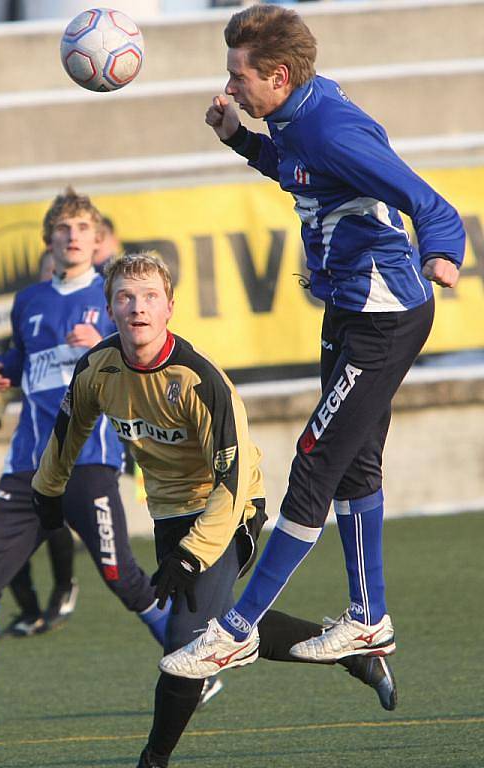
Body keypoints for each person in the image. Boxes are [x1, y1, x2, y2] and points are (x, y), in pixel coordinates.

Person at [159, 4, 465, 682]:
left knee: (313, 464)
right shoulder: (295, 117)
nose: (229, 85)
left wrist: (443, 252)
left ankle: (235, 633)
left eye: (238, 76)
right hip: (352, 310)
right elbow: (298, 173)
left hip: (384, 315)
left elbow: (428, 202)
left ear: (277, 75)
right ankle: (368, 618)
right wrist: (240, 139)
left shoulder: (330, 128)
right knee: (353, 467)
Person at [30, 253, 398, 768]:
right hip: (170, 515)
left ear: (169, 309)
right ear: (110, 308)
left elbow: (229, 482)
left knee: (189, 645)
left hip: (232, 509)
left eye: (150, 298)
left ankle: (153, 760)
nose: (138, 307)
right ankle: (357, 654)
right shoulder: (98, 369)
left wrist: (192, 554)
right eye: (126, 298)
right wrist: (47, 493)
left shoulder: (200, 381)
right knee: (221, 624)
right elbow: (67, 434)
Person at [0, 189, 172, 734]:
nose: (75, 236)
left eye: (84, 228)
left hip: (89, 462)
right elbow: (19, 358)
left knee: (123, 578)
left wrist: (105, 344)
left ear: (99, 239)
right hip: (28, 469)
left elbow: (148, 358)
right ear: (49, 240)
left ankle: (193, 664)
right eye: (65, 228)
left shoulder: (118, 297)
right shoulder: (30, 299)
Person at [0, 248, 79, 638]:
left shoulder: (93, 314)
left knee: (57, 523)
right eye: (49, 270)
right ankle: (31, 609)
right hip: (34, 445)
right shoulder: (31, 315)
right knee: (13, 531)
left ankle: (64, 589)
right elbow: (7, 367)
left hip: (82, 444)